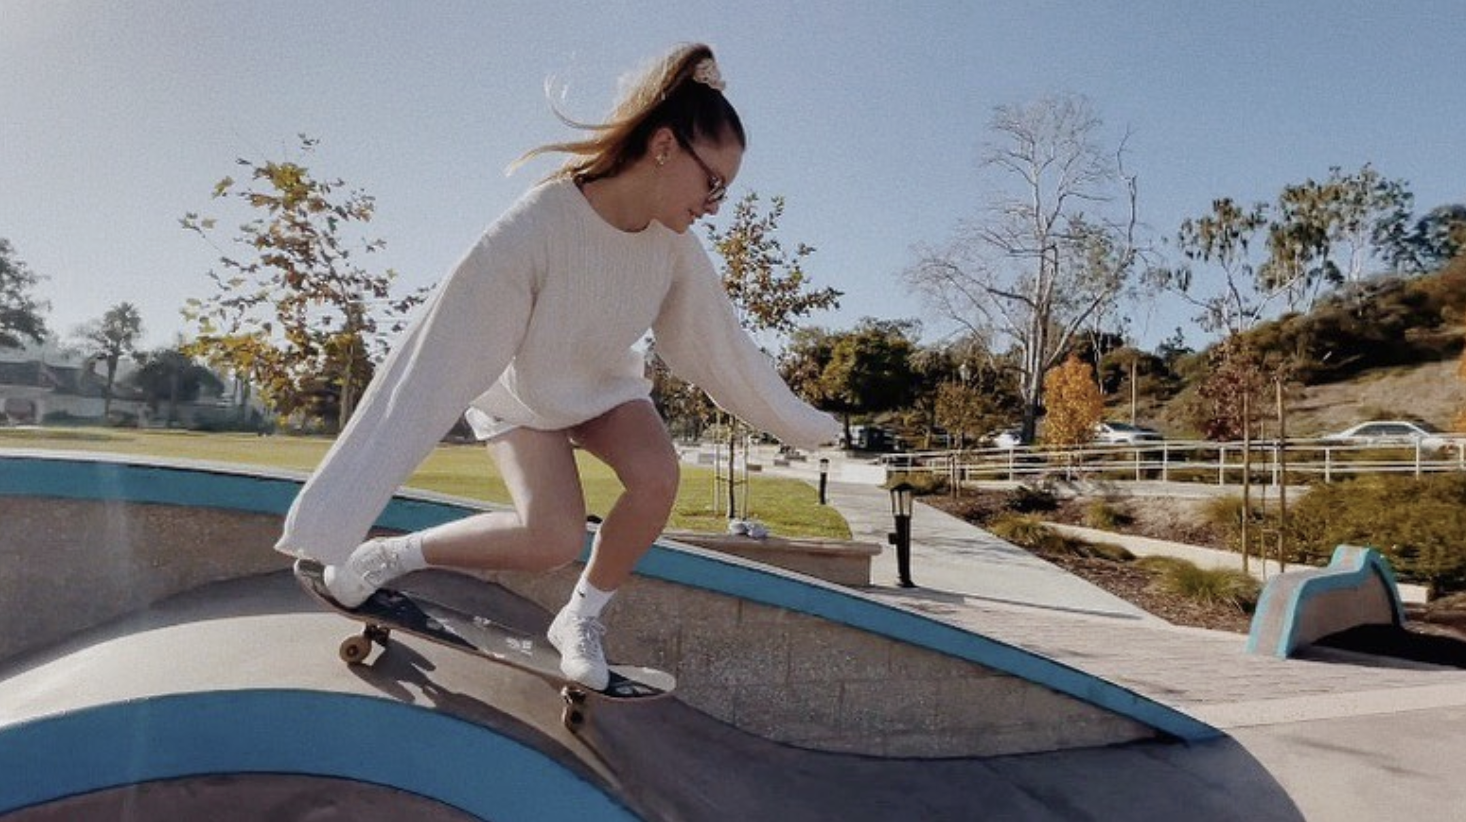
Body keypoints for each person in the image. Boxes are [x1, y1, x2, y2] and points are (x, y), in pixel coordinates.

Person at [273, 43, 840, 691]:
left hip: (601, 388)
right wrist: (333, 517)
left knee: (658, 475)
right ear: (663, 147)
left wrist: (806, 425)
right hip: (520, 395)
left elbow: (723, 351)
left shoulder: (675, 248)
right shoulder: (537, 226)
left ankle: (580, 617)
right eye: (713, 182)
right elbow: (433, 359)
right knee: (551, 539)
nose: (716, 205)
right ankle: (390, 555)